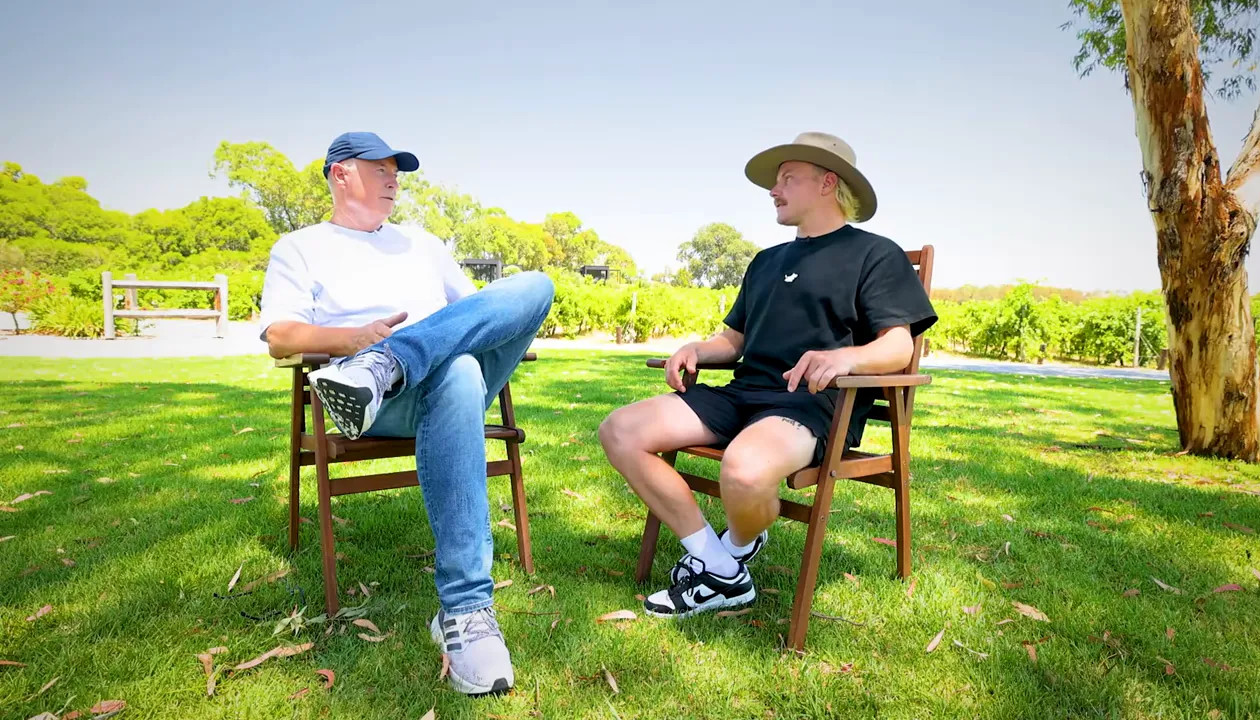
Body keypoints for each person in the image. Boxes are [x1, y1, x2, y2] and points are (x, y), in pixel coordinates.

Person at [259, 131, 553, 695]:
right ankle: (465, 612)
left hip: (420, 376)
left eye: (397, 170)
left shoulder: (424, 243)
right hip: (372, 402)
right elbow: (280, 336)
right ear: (340, 173)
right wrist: (352, 341)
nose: (393, 179)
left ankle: (390, 361)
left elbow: (480, 314)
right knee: (460, 372)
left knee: (534, 286)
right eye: (379, 169)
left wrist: (400, 349)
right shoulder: (300, 247)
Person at [598, 132, 936, 619]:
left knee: (744, 470)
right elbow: (732, 342)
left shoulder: (874, 255)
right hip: (740, 396)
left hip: (810, 404)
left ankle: (732, 549)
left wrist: (845, 358)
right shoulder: (765, 262)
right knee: (620, 430)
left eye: (787, 179)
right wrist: (696, 348)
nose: (773, 191)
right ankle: (721, 567)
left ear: (827, 182)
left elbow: (899, 345)